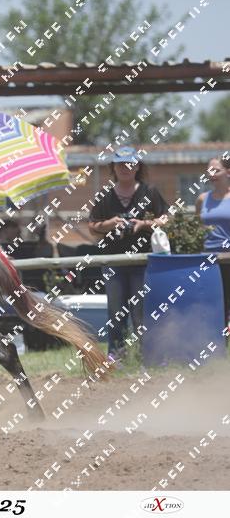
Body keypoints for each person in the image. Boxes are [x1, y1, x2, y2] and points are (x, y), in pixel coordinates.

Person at [88, 146, 169, 362]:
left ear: (137, 167)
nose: (125, 168)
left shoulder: (150, 192)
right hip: (113, 263)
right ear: (113, 167)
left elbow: (166, 218)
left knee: (141, 313)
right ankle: (117, 357)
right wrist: (109, 224)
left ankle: (147, 356)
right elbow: (92, 226)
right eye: (120, 164)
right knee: (115, 313)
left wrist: (144, 224)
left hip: (142, 263)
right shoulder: (105, 195)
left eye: (129, 164)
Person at [195, 156, 230, 323]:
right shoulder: (202, 199)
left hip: (228, 258)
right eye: (209, 171)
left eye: (216, 170)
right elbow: (196, 230)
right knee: (213, 305)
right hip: (207, 259)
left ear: (228, 172)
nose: (212, 174)